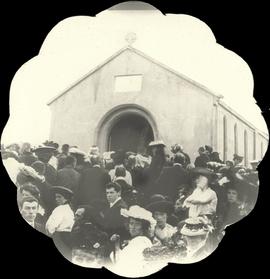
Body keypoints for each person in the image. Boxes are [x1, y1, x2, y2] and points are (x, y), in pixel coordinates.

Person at [108, 205, 157, 277]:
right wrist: (117, 244)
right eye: (131, 223)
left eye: (137, 224)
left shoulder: (141, 241)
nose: (133, 227)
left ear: (143, 227)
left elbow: (122, 263)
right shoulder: (137, 240)